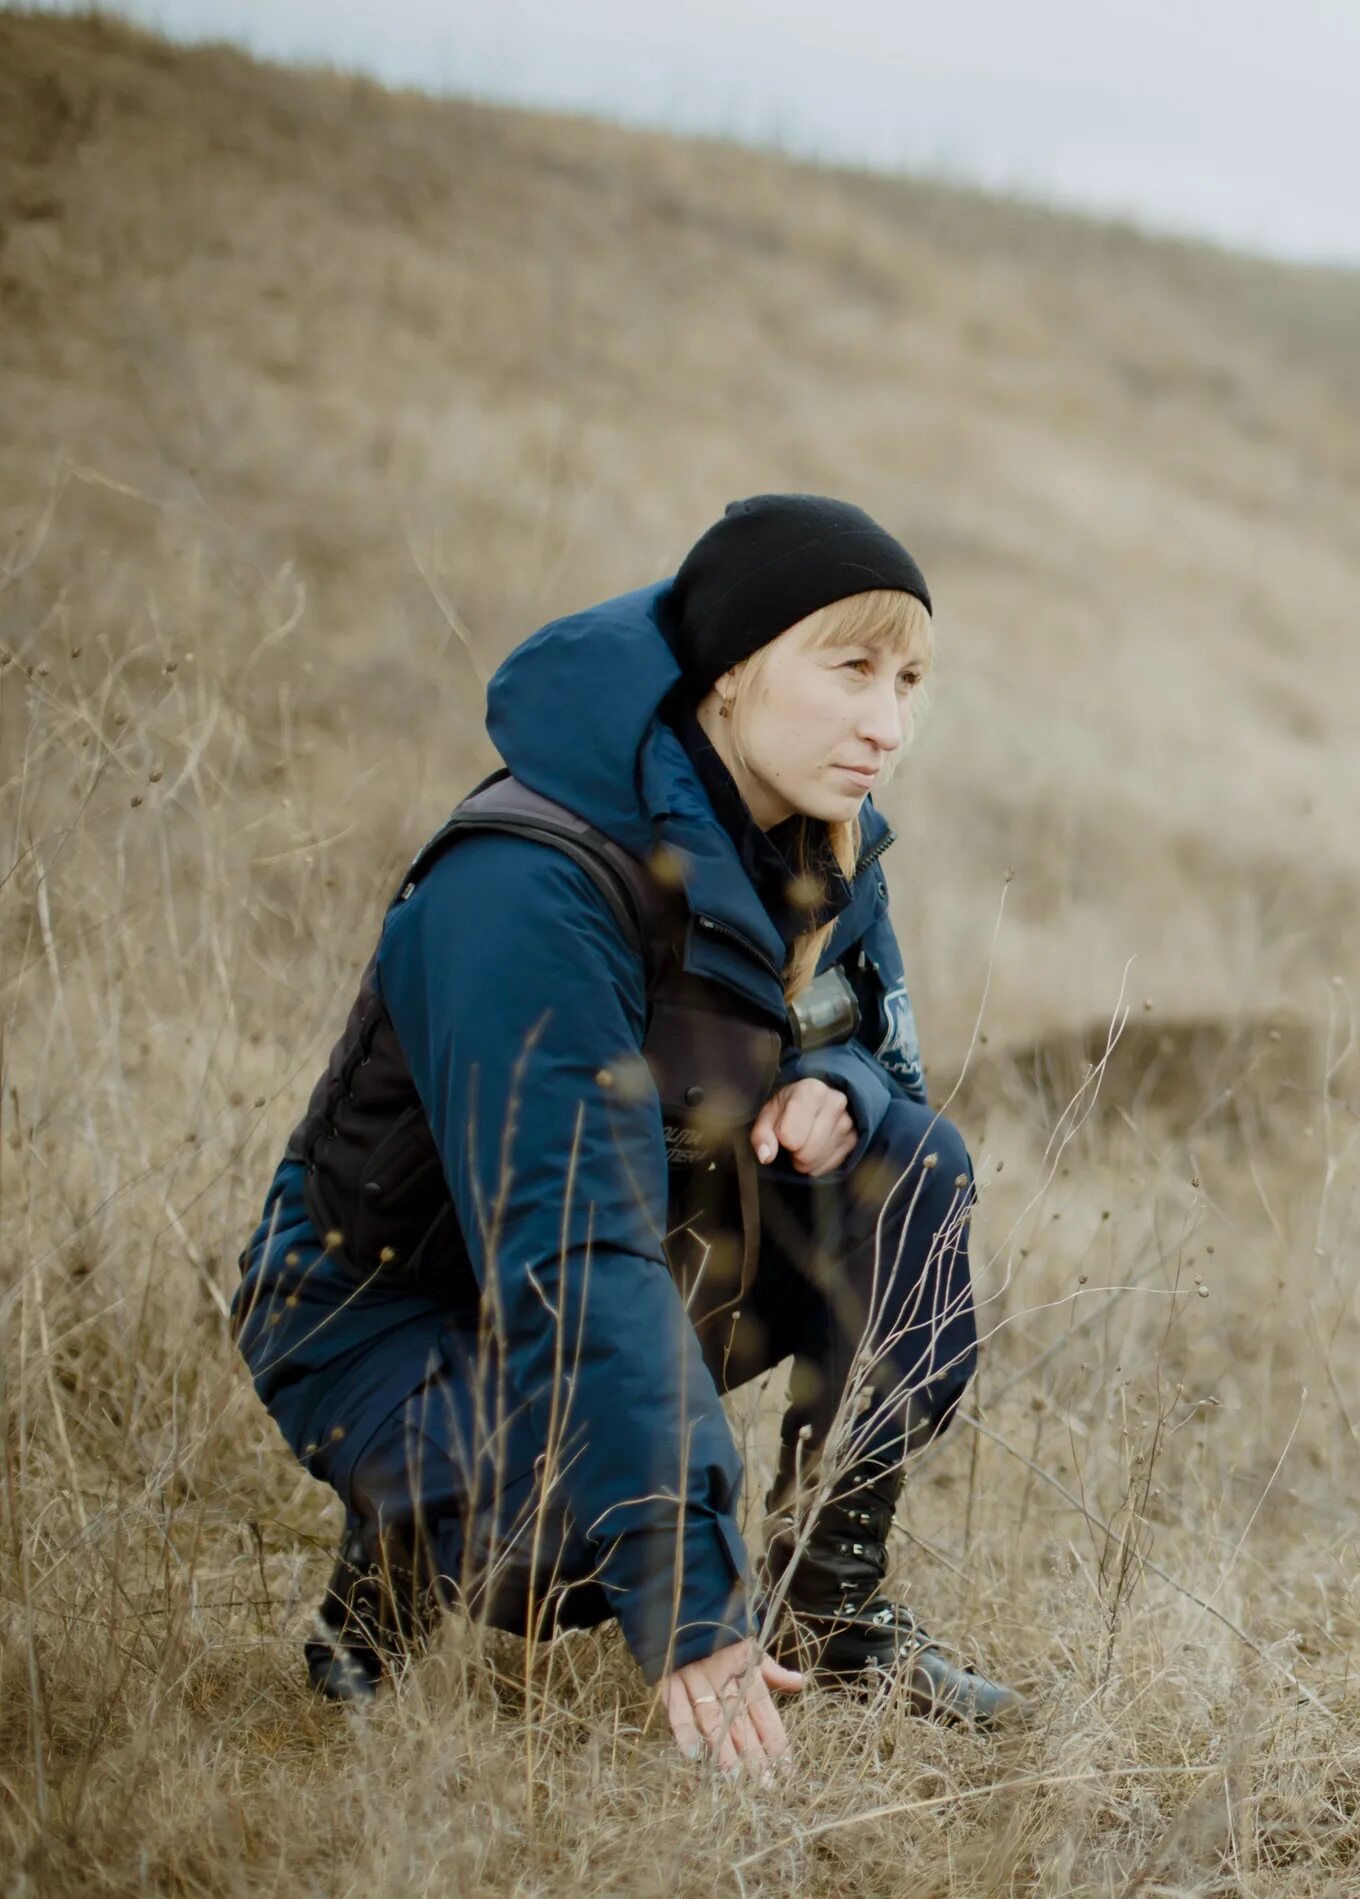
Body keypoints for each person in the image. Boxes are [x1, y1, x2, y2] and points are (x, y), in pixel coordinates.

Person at [232, 495, 1021, 1778]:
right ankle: (388, 1568)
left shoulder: (822, 840)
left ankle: (829, 1609)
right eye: (852, 669)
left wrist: (839, 1088)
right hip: (391, 1302)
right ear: (730, 671)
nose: (890, 724)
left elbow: (882, 1049)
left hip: (660, 1252)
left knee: (915, 1163)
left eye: (913, 679)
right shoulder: (530, 881)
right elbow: (571, 1246)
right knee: (568, 1544)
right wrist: (690, 1603)